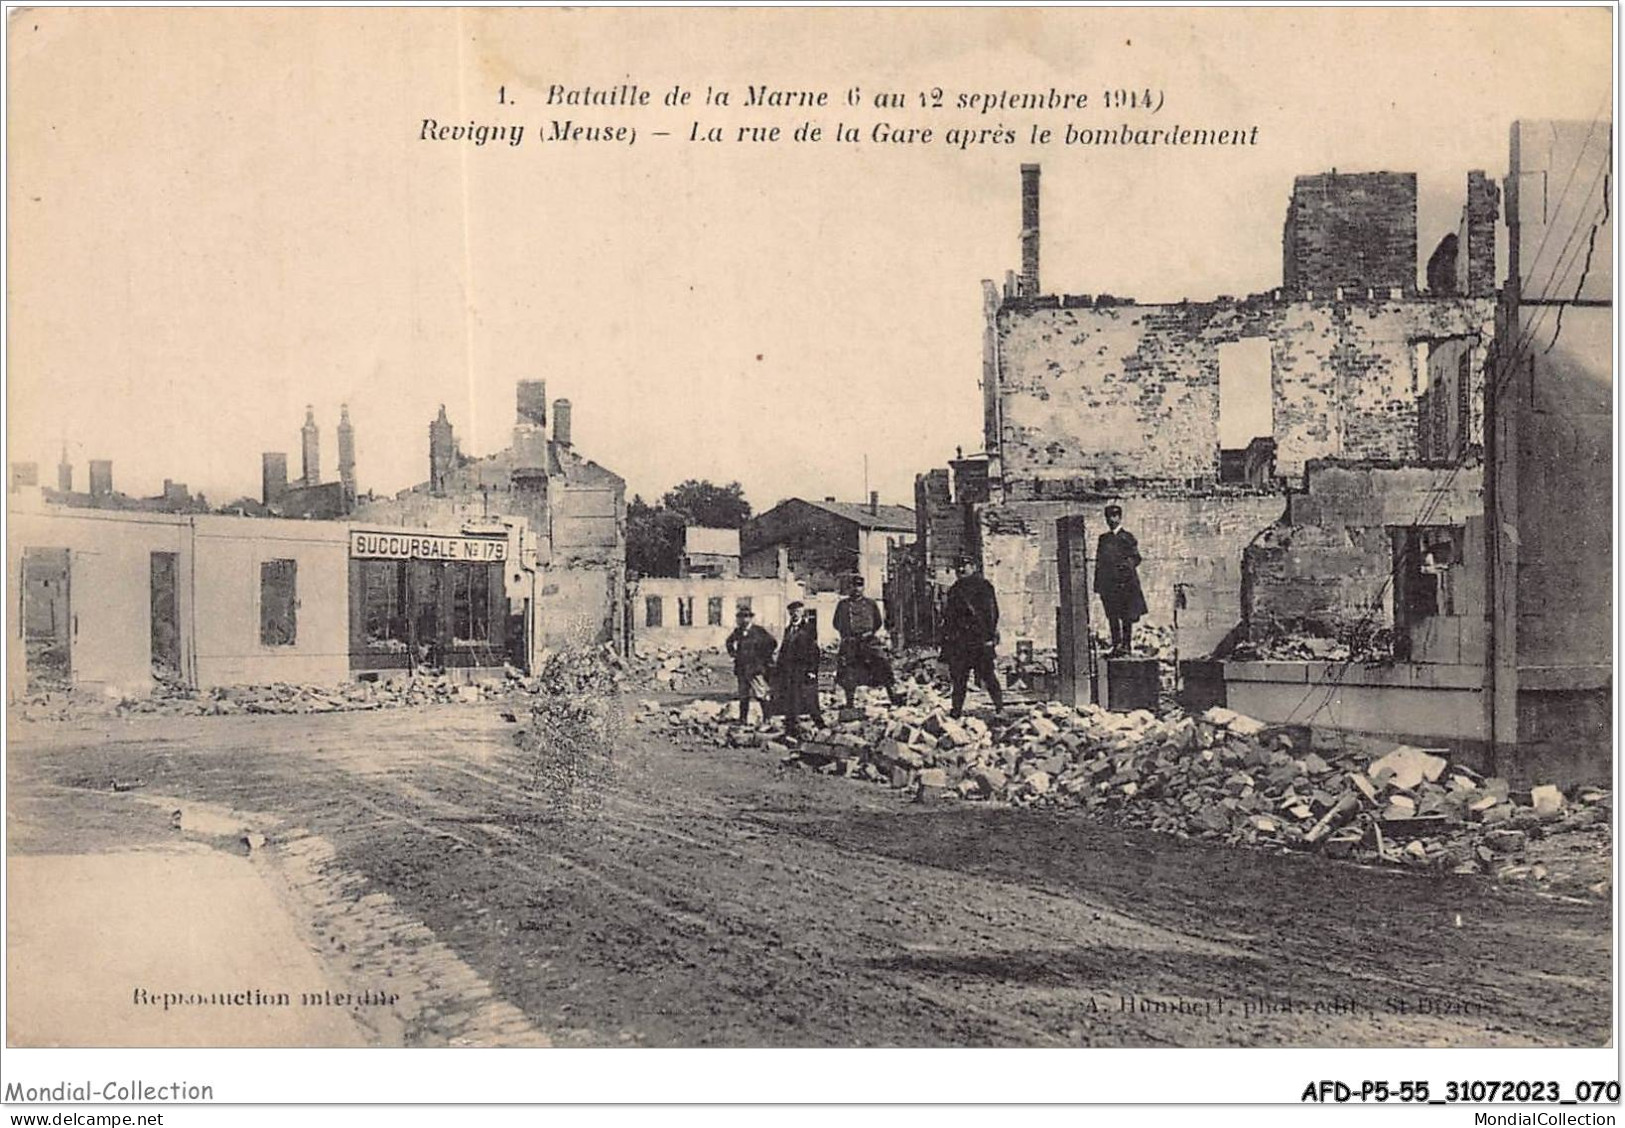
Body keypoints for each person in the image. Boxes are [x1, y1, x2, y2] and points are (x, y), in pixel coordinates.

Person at [940, 558, 1003, 719]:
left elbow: (992, 613)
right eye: (958, 566)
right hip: (960, 642)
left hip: (979, 640)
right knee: (959, 679)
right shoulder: (955, 588)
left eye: (964, 566)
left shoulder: (983, 586)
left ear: (973, 567)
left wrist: (989, 637)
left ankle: (999, 707)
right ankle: (956, 711)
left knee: (988, 675)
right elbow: (949, 618)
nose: (960, 569)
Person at [833, 575, 903, 707]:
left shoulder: (871, 603)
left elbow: (878, 622)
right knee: (848, 670)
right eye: (853, 586)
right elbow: (836, 623)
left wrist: (868, 633)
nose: (856, 589)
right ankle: (849, 702)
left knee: (883, 663)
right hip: (851, 642)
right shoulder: (843, 605)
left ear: (863, 587)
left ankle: (892, 695)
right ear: (849, 588)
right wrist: (848, 634)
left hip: (868, 640)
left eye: (859, 586)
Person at [1094, 503, 1148, 656]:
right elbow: (1099, 562)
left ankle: (1126, 645)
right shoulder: (1103, 539)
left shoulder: (1127, 537)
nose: (1112, 520)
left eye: (1114, 516)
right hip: (1109, 586)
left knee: (1126, 616)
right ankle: (1116, 644)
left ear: (1120, 517)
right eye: (1109, 517)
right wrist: (1098, 585)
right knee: (1112, 615)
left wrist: (1124, 569)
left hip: (1125, 585)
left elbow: (1136, 558)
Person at [774, 601, 824, 735]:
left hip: (803, 669)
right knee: (790, 698)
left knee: (809, 698)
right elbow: (784, 651)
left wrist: (812, 670)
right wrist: (778, 669)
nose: (794, 614)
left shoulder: (809, 628)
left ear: (802, 612)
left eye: (797, 611)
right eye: (792, 612)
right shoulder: (788, 629)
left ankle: (821, 726)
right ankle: (791, 728)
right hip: (789, 670)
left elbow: (814, 651)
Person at [723, 606, 776, 724]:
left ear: (751, 618)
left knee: (761, 693)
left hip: (755, 669)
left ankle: (767, 719)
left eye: (747, 617)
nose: (744, 620)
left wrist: (763, 657)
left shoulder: (759, 631)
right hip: (742, 669)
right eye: (741, 617)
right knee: (743, 695)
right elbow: (729, 642)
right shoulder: (738, 631)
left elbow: (772, 643)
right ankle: (743, 719)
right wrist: (733, 654)